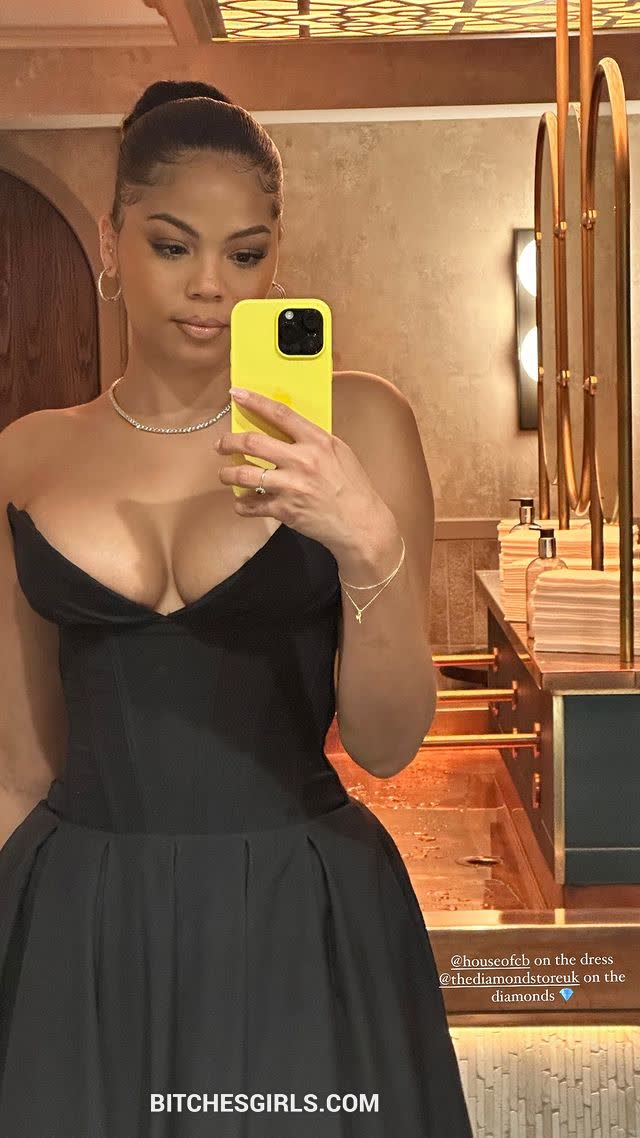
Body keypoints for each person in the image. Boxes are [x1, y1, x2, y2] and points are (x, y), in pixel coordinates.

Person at [0, 80, 473, 1137]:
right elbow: (19, 767)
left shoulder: (358, 425)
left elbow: (389, 744)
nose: (210, 284)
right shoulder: (26, 456)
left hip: (301, 916)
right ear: (112, 241)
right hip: (84, 927)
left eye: (245, 253)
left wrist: (366, 539)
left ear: (275, 258)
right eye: (172, 245)